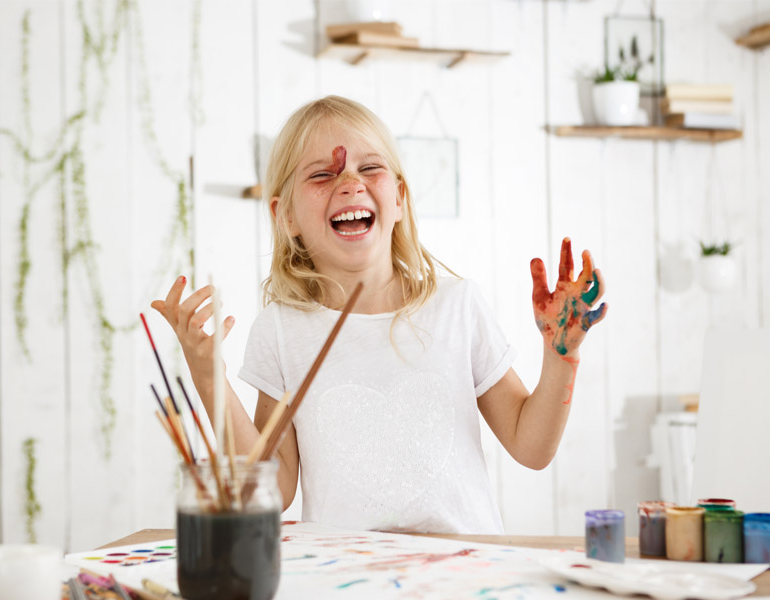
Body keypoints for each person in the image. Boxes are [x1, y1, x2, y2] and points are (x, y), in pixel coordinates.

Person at [151, 95, 607, 534]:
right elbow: (275, 487)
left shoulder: (457, 306)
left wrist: (560, 355)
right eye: (323, 175)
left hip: (465, 577)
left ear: (400, 197)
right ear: (285, 214)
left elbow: (531, 448)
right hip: (347, 579)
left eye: (369, 167)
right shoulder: (280, 330)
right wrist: (210, 378)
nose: (350, 183)